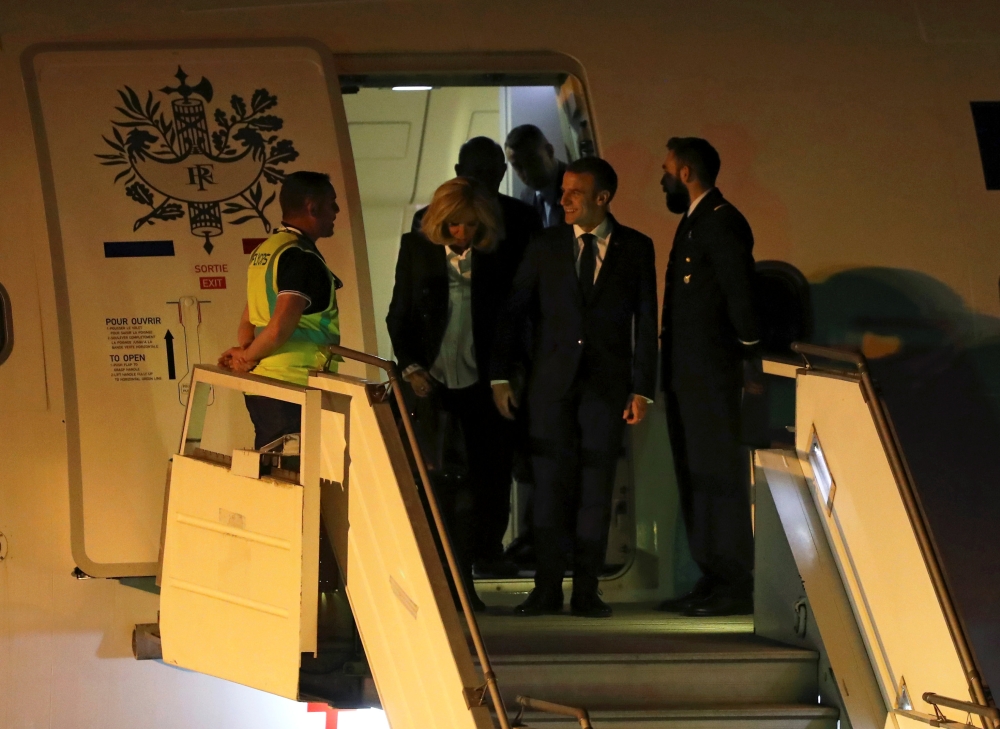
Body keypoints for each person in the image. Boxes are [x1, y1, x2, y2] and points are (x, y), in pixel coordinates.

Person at [492, 157, 658, 618]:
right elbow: (514, 311)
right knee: (549, 490)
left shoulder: (635, 247)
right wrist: (502, 375)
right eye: (562, 191)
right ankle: (546, 589)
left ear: (602, 198)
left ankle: (586, 590)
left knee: (595, 491)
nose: (562, 199)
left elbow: (646, 320)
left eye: (574, 193)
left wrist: (642, 389)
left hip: (606, 389)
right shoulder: (545, 245)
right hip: (550, 389)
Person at [411, 137, 542, 579]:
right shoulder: (429, 223)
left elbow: (524, 304)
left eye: (490, 173)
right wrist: (411, 362)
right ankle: (450, 557)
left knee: (494, 466)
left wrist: (514, 369)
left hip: (496, 366)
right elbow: (406, 305)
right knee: (443, 468)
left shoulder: (520, 220)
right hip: (440, 366)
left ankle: (485, 549)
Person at [386, 177, 516, 611]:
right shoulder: (417, 249)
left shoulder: (496, 257)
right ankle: (441, 585)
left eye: (471, 226)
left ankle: (470, 576)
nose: (463, 234)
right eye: (455, 225)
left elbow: (508, 325)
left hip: (482, 386)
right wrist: (411, 368)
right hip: (432, 385)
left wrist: (503, 378)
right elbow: (398, 316)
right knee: (436, 487)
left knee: (483, 487)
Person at [657, 137, 761, 618]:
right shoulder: (695, 222)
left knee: (718, 477)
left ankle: (734, 580)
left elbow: (740, 296)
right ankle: (713, 574)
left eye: (666, 171)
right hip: (687, 378)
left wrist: (749, 358)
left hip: (711, 378)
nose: (661, 181)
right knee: (696, 477)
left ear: (685, 173)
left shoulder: (721, 222)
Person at [218, 171, 342, 449]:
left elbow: (248, 322)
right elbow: (278, 328)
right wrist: (247, 358)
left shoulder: (266, 251)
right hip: (296, 387)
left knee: (275, 477)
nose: (336, 211)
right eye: (332, 203)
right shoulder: (301, 257)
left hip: (264, 386)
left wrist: (246, 354)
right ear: (312, 207)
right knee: (297, 481)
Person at [504, 124, 567, 228]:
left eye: (531, 161)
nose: (526, 172)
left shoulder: (579, 184)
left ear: (549, 151)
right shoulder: (526, 196)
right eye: (517, 166)